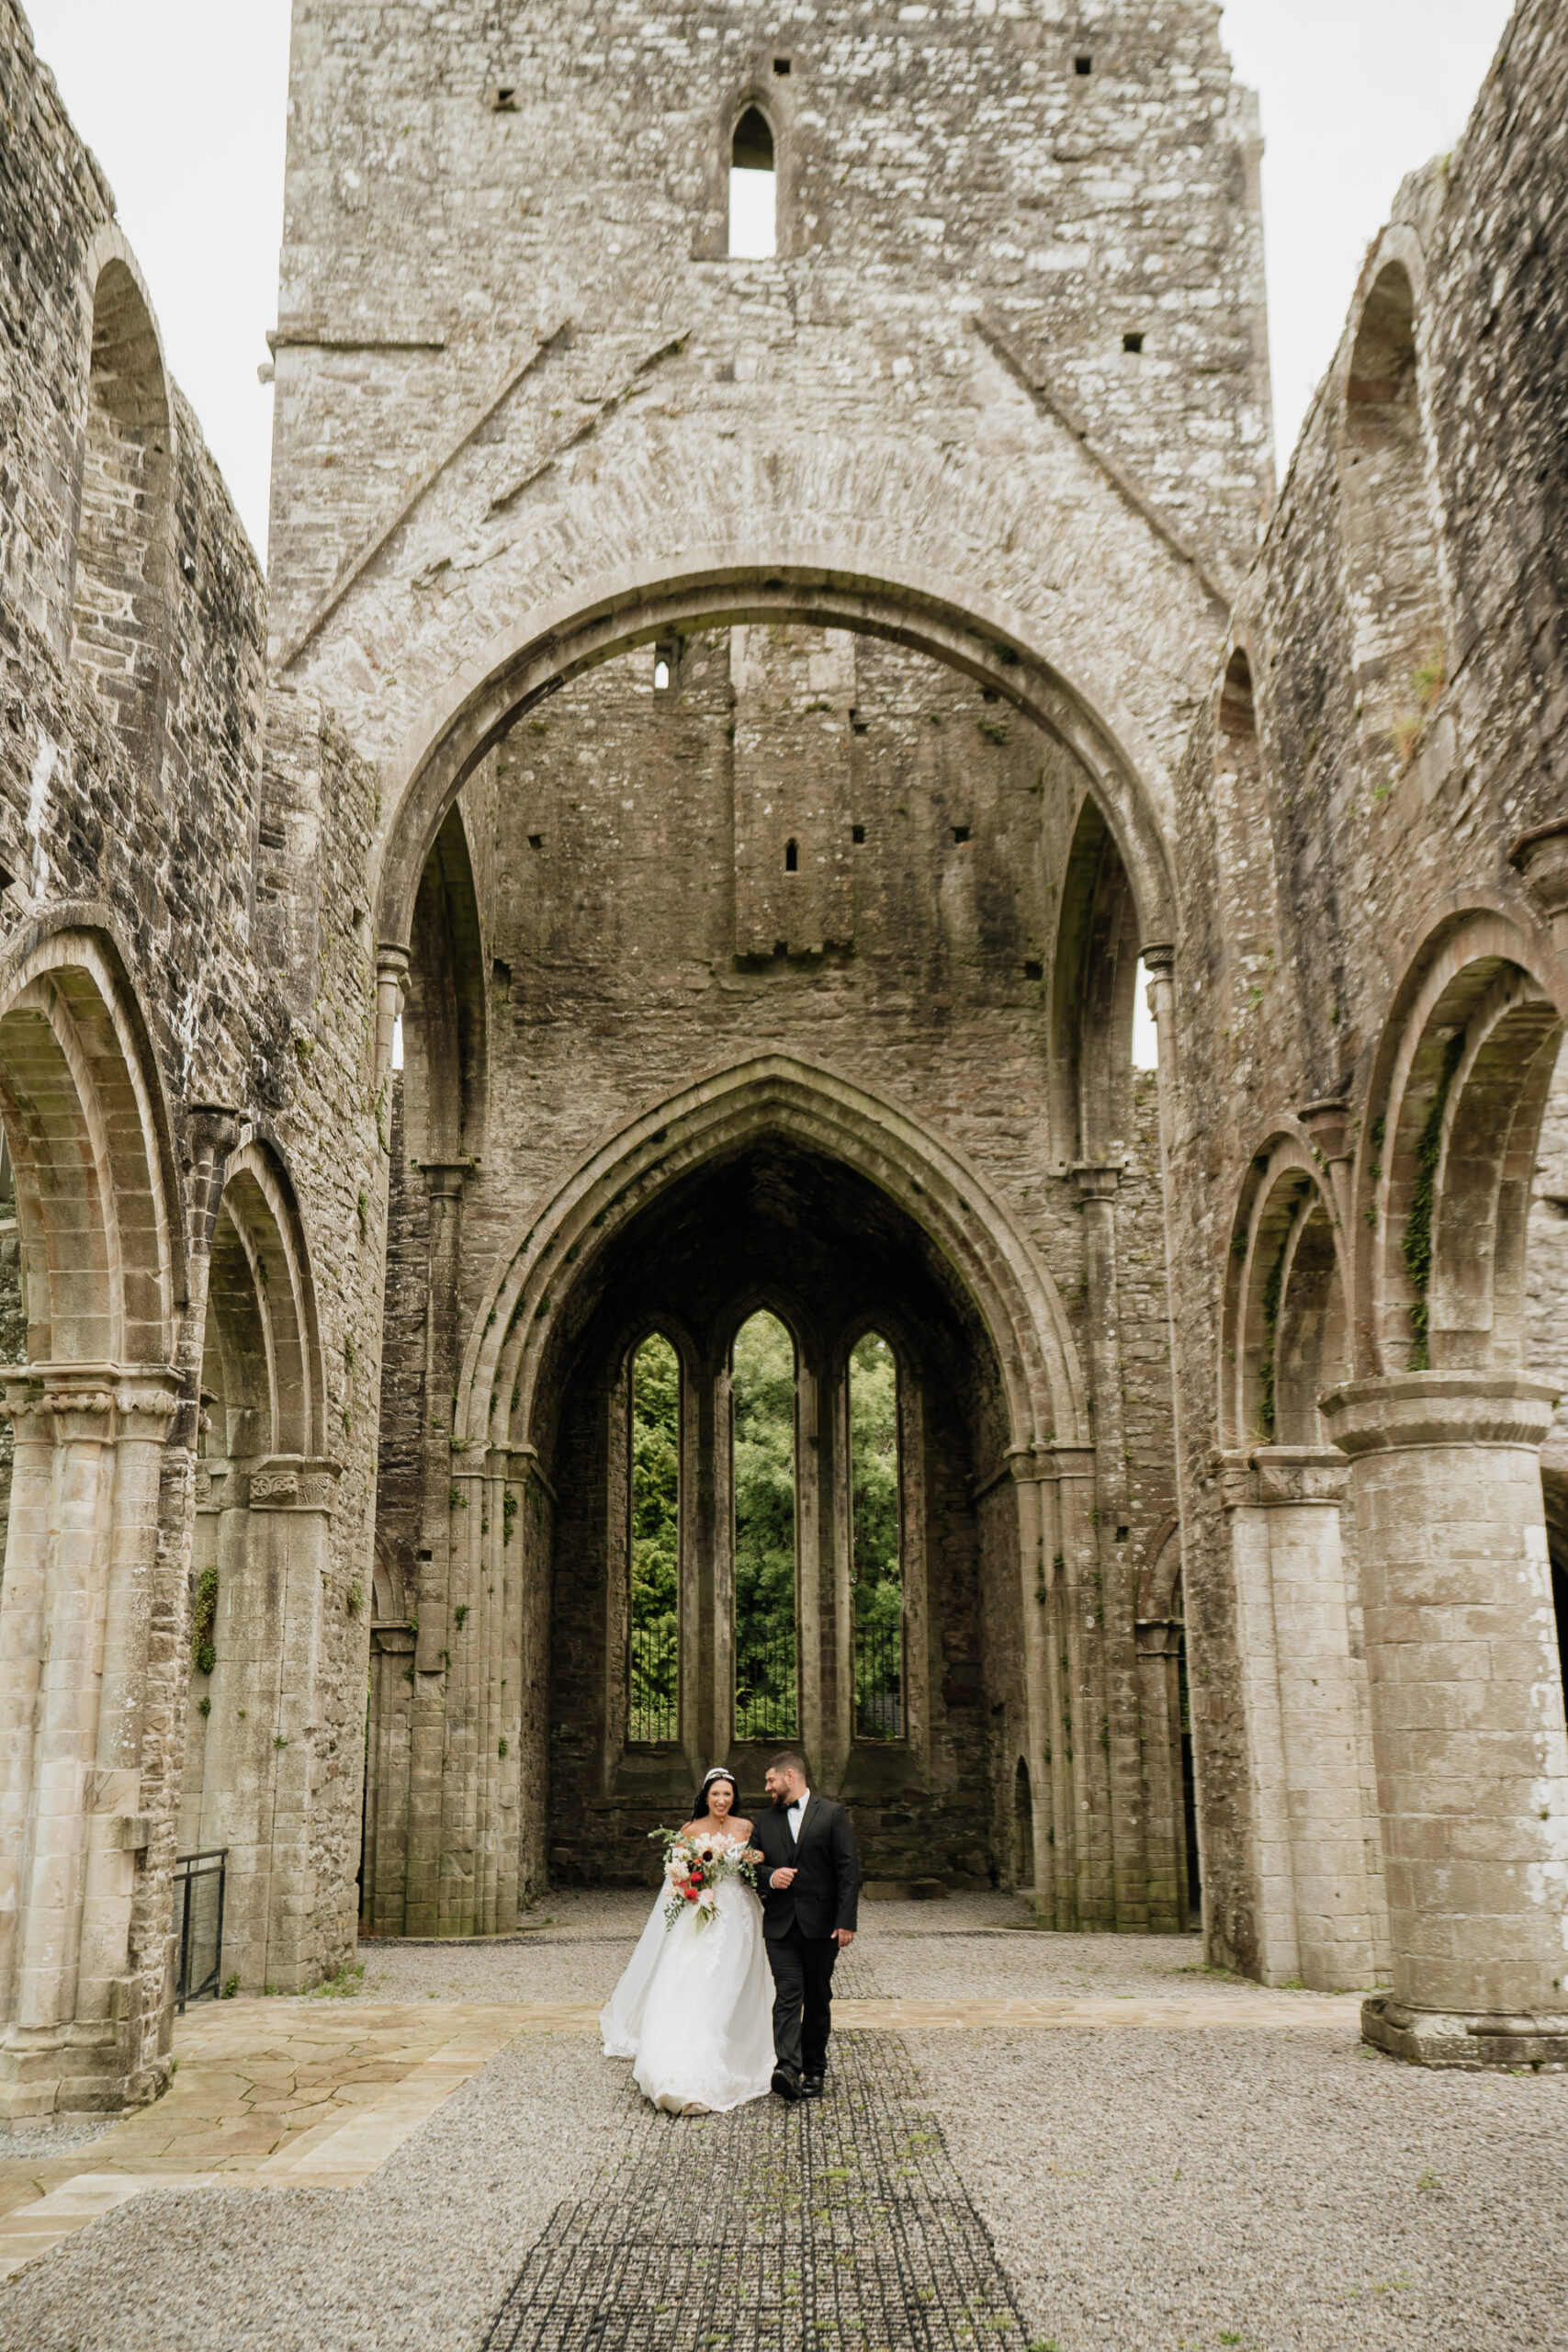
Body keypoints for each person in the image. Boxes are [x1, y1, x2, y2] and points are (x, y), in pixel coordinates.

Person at [599, 1765, 774, 2115]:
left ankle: (734, 2038)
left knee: (735, 1976)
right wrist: (695, 1886)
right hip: (703, 1913)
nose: (721, 1800)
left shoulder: (746, 1827)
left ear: (733, 1797)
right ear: (705, 1798)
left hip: (740, 1913)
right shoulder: (691, 1830)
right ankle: (681, 2057)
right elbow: (677, 1876)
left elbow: (758, 1859)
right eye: (715, 1794)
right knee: (693, 1975)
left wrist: (753, 1858)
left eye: (727, 1794)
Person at [749, 1748, 859, 2101]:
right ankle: (788, 2069)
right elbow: (746, 1866)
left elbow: (847, 1871)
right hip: (780, 1927)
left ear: (790, 1777)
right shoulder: (764, 1821)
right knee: (787, 1996)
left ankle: (814, 2069)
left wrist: (846, 1921)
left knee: (817, 1998)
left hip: (821, 1927)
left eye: (771, 1780)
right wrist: (769, 1875)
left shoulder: (832, 1814)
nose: (767, 1788)